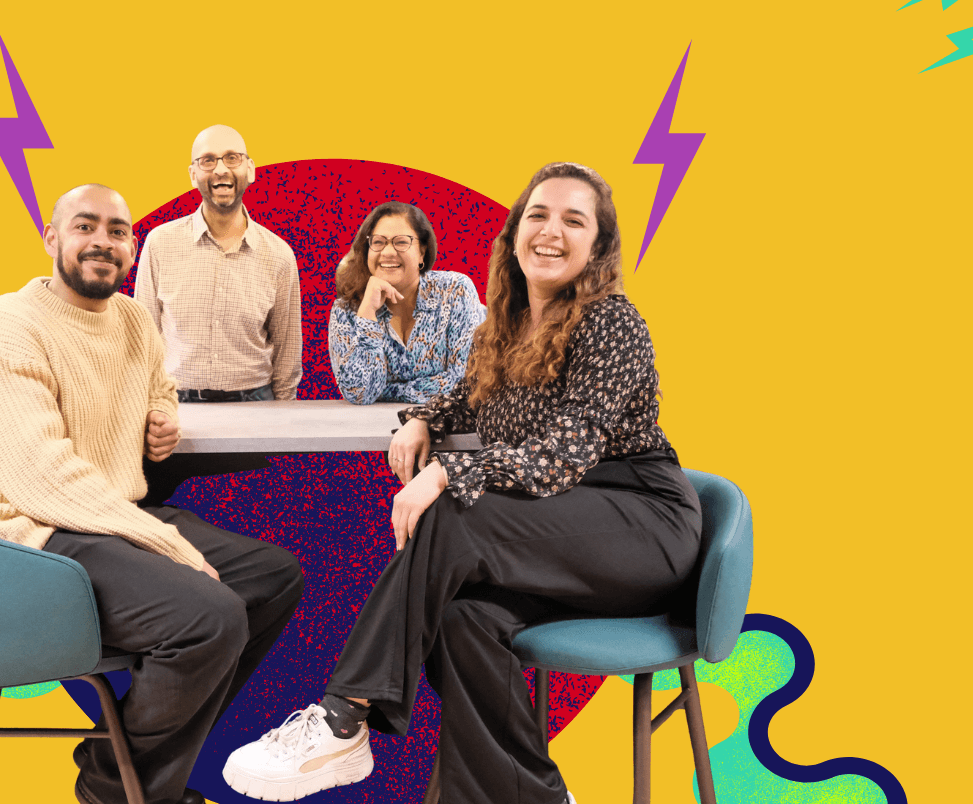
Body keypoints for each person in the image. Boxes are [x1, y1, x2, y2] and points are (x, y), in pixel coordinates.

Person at [221, 163, 701, 804]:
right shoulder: (504, 326)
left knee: (452, 511)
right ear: (514, 234)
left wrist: (447, 470)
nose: (551, 231)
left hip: (639, 528)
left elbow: (564, 455)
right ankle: (533, 793)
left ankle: (343, 716)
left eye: (573, 220)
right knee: (461, 617)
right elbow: (469, 399)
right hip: (565, 531)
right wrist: (424, 419)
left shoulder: (611, 324)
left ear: (597, 249)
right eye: (538, 214)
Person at [0, 184, 304, 804]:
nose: (103, 241)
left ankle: (121, 771)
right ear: (52, 239)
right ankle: (122, 789)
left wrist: (161, 415)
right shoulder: (4, 327)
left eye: (118, 230)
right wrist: (164, 542)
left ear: (131, 248)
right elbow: (41, 475)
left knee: (270, 578)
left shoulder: (130, 318)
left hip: (97, 517)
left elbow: (158, 380)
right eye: (85, 226)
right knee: (209, 616)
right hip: (22, 537)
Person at [133, 124, 302, 402]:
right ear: (193, 174)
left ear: (250, 169)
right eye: (208, 160)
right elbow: (142, 339)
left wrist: (282, 420)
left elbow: (287, 351)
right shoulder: (160, 243)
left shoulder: (279, 255)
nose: (221, 170)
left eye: (232, 158)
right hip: (176, 407)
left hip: (256, 406)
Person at [329, 201, 484, 404]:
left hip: (445, 427)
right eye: (378, 242)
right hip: (371, 429)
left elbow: (464, 383)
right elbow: (359, 393)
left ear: (422, 252)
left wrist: (388, 392)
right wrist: (367, 314)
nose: (388, 252)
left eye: (401, 242)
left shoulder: (455, 290)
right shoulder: (346, 309)